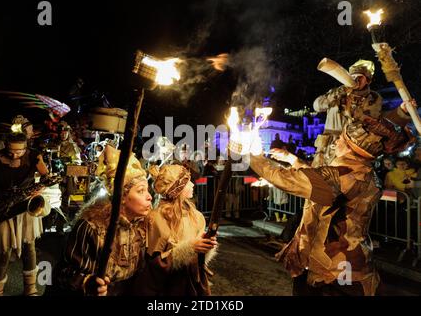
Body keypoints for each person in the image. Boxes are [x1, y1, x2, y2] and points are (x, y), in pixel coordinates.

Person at [230, 117, 413, 296]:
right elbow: (320, 177)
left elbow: (287, 180)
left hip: (329, 271)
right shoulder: (365, 172)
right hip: (353, 265)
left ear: (352, 149)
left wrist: (250, 156)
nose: (337, 141)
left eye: (342, 138)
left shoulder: (341, 177)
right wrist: (292, 159)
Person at [47, 154, 152, 296]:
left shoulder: (141, 225)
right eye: (141, 191)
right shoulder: (91, 227)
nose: (149, 196)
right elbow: (65, 274)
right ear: (122, 197)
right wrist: (88, 283)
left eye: (147, 190)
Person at [0, 132, 50, 295]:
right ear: (5, 145)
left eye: (19, 151)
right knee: (4, 253)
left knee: (30, 248)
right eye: (11, 150)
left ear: (26, 147)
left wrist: (37, 191)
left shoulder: (34, 156)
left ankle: (30, 289)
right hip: (3, 208)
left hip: (26, 207)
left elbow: (46, 177)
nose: (14, 154)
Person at [313, 59, 415, 167]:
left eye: (360, 77)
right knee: (316, 179)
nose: (356, 79)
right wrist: (339, 92)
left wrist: (402, 110)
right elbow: (317, 106)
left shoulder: (373, 99)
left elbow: (378, 124)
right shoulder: (337, 94)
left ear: (368, 80)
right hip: (326, 150)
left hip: (352, 151)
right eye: (353, 76)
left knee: (346, 180)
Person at [138, 164, 217, 296]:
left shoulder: (196, 216)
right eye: (187, 182)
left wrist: (206, 245)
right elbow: (154, 264)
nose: (192, 185)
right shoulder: (156, 218)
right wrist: (189, 248)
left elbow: (199, 259)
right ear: (177, 187)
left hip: (192, 285)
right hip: (168, 288)